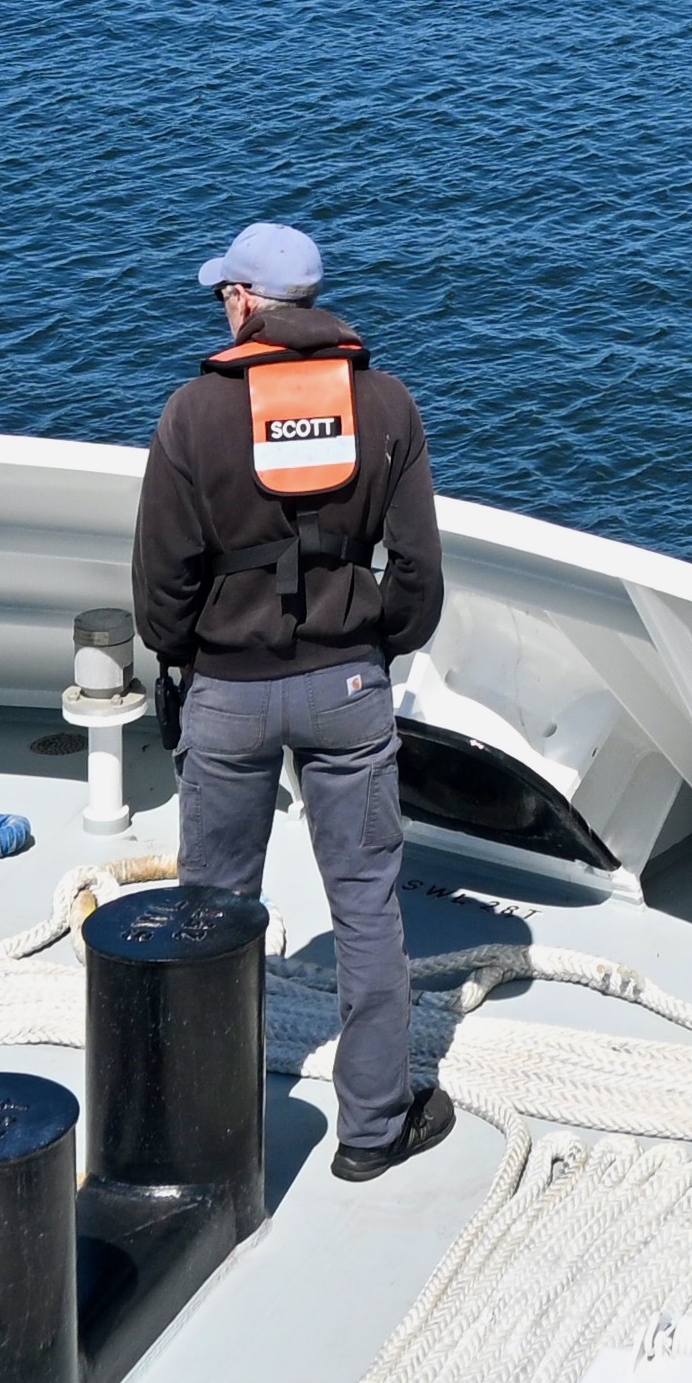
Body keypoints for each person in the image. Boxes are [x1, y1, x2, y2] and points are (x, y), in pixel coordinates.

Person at [133, 219, 449, 1181]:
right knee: (365, 908)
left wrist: (194, 660)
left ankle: (206, 1134)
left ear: (242, 302)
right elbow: (419, 578)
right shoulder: (385, 404)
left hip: (227, 692)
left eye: (220, 291)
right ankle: (371, 1133)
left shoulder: (194, 414)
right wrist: (366, 645)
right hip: (349, 687)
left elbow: (160, 590)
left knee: (216, 913)